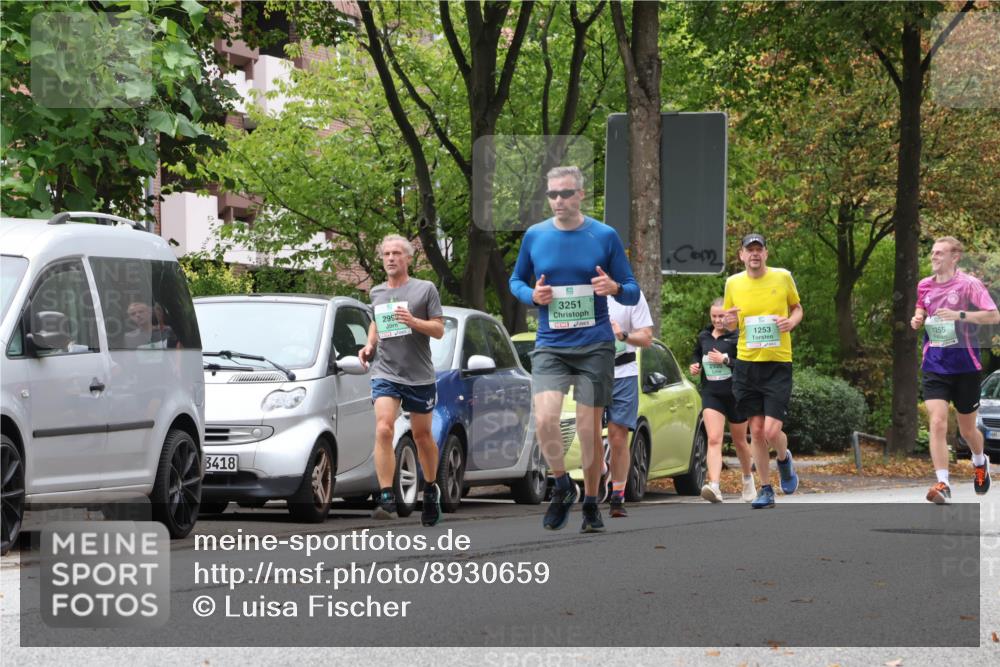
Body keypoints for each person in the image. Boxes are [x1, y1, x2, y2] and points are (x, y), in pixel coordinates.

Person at [510, 165, 640, 533]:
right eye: (552, 194)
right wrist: (531, 296)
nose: (558, 200)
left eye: (566, 193)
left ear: (581, 195)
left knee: (586, 428)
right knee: (546, 420)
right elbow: (515, 280)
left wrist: (613, 287)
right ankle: (563, 484)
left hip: (595, 345)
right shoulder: (535, 236)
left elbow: (632, 289)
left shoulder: (604, 235)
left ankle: (591, 504)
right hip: (551, 344)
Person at [359, 234, 446, 526]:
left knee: (422, 436)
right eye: (386, 254)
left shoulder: (425, 290)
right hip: (386, 371)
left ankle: (431, 488)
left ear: (408, 258)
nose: (391, 258)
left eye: (397, 253)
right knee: (384, 428)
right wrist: (369, 346)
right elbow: (376, 321)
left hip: (419, 375)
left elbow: (438, 329)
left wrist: (414, 322)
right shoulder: (377, 292)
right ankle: (385, 493)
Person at [910, 236, 998, 504]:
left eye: (939, 253)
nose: (933, 257)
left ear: (955, 257)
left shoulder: (969, 285)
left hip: (965, 365)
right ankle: (943, 483)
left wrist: (960, 315)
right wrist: (917, 319)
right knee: (937, 422)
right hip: (935, 364)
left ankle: (980, 461)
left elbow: (993, 315)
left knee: (968, 431)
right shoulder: (924, 285)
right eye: (932, 253)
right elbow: (921, 307)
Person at [723, 233, 803, 509]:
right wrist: (730, 322)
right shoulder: (732, 283)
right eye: (750, 250)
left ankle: (783, 458)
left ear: (766, 254)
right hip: (746, 364)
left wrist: (791, 322)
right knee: (755, 431)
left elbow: (797, 308)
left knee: (771, 431)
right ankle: (766, 489)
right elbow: (731, 323)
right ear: (742, 255)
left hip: (778, 362)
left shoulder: (782, 277)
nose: (754, 254)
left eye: (759, 249)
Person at [688, 298, 755, 503]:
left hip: (735, 394)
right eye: (714, 316)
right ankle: (714, 486)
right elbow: (696, 354)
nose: (718, 320)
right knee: (714, 438)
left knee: (740, 441)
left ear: (729, 315)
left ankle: (747, 479)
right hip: (712, 393)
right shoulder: (704, 336)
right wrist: (694, 365)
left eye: (722, 316)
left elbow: (747, 365)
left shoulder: (738, 336)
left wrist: (726, 360)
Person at [605, 290, 654, 517]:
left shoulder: (631, 294)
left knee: (618, 436)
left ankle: (617, 496)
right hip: (591, 371)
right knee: (587, 433)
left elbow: (646, 337)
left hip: (623, 372)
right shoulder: (582, 290)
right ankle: (601, 469)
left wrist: (623, 336)